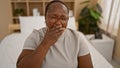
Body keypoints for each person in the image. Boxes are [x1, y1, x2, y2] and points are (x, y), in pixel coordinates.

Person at [17, 1, 93, 68]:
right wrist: (46, 42)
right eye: (53, 17)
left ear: (67, 20)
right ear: (45, 18)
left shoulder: (77, 38)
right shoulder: (35, 36)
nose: (58, 23)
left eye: (63, 18)